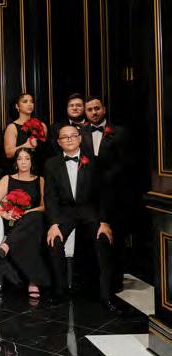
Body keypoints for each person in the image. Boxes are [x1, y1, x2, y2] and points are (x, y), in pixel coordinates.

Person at [44, 125, 117, 311]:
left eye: (72, 136)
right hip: (65, 212)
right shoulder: (51, 164)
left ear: (79, 138)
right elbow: (50, 197)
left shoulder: (94, 161)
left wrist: (104, 222)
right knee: (54, 242)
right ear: (59, 142)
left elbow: (104, 194)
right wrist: (53, 224)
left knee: (103, 240)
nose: (69, 139)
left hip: (89, 210)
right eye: (64, 137)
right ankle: (59, 293)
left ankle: (106, 297)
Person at [81, 96, 130, 292]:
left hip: (115, 194)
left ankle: (116, 282)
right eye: (90, 109)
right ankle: (94, 282)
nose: (94, 112)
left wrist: (108, 177)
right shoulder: (80, 133)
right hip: (89, 195)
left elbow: (126, 162)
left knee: (115, 237)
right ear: (85, 113)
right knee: (92, 238)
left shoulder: (119, 132)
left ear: (104, 109)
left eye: (97, 108)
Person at [0, 148, 50, 299]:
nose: (23, 162)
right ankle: (33, 282)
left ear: (31, 161)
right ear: (16, 162)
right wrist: (5, 213)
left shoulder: (40, 180)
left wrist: (27, 213)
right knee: (30, 232)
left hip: (34, 223)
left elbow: (44, 206)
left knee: (35, 218)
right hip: (14, 223)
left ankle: (6, 245)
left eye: (27, 158)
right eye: (20, 158)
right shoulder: (7, 179)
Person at [3, 93, 49, 175]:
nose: (29, 104)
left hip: (40, 169)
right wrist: (26, 145)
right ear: (17, 106)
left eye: (31, 101)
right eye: (25, 101)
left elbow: (46, 150)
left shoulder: (42, 125)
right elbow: (9, 153)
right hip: (20, 171)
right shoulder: (12, 127)